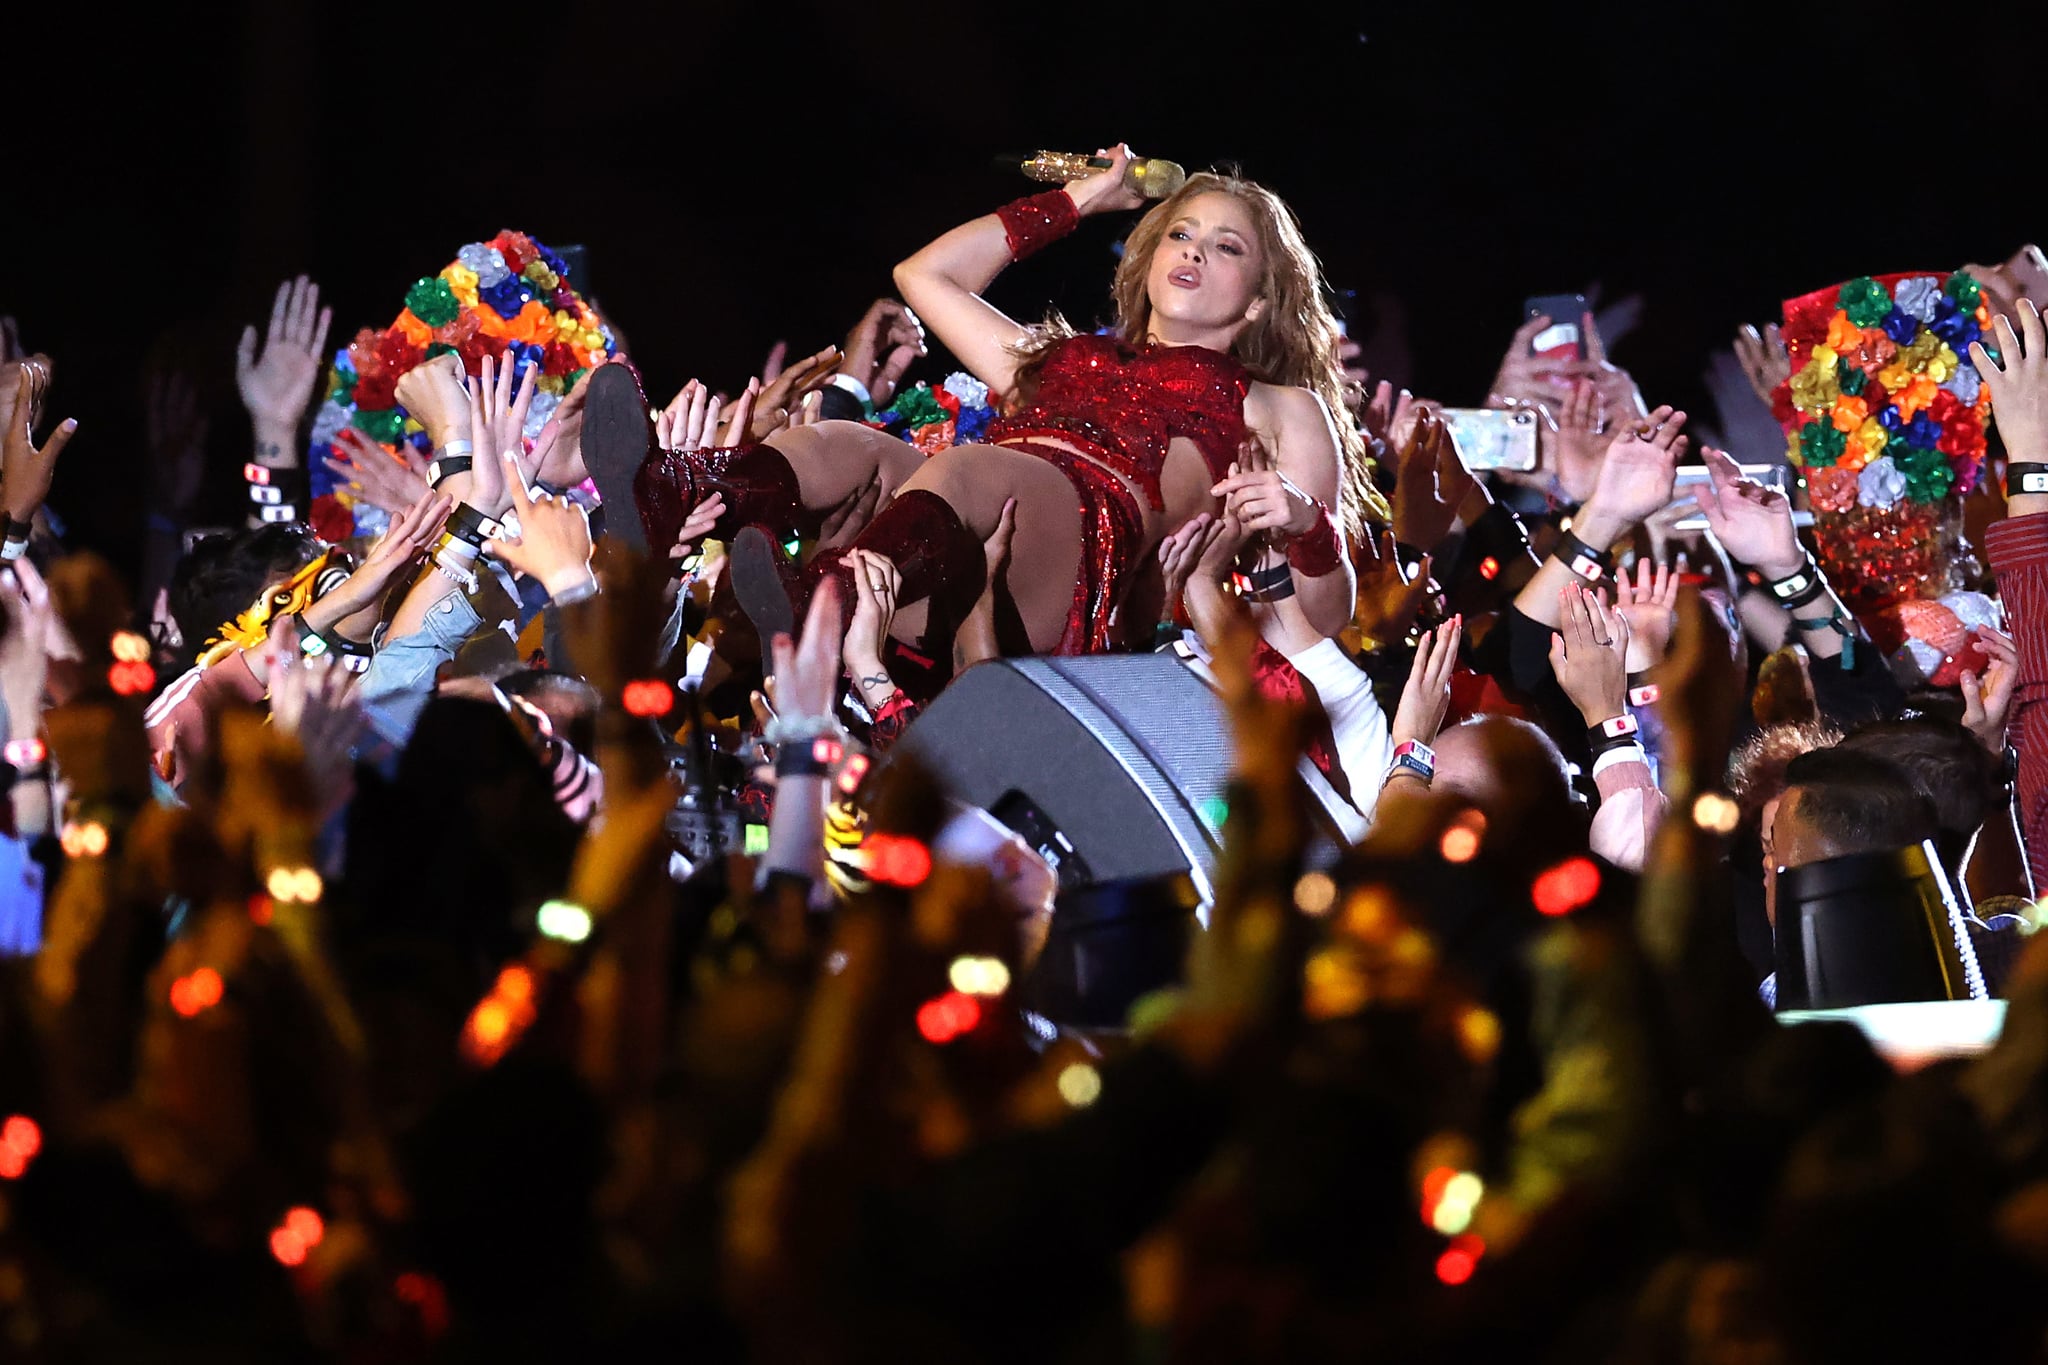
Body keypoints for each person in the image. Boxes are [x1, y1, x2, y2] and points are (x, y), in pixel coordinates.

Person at [594, 145, 1376, 671]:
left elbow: (1328, 614)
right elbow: (922, 275)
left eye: (1227, 246)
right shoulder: (1064, 358)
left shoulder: (1277, 403)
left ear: (1262, 301)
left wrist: (1309, 523)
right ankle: (679, 492)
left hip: (1074, 582)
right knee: (848, 442)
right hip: (954, 545)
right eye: (1180, 232)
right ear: (1147, 260)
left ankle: (825, 601)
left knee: (969, 468)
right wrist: (1078, 199)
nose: (1195, 250)